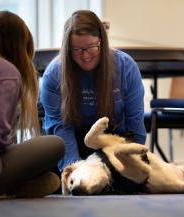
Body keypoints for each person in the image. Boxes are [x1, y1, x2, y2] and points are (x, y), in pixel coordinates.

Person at [0, 11, 65, 198]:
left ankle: (11, 185)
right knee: (56, 144)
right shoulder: (3, 69)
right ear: (20, 45)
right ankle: (5, 186)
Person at [40, 10, 146, 172]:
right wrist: (75, 170)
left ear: (102, 42)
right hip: (73, 142)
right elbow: (60, 128)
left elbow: (135, 123)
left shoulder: (126, 67)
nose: (86, 56)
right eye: (77, 49)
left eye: (91, 47)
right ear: (68, 48)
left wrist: (133, 162)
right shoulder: (54, 74)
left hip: (112, 142)